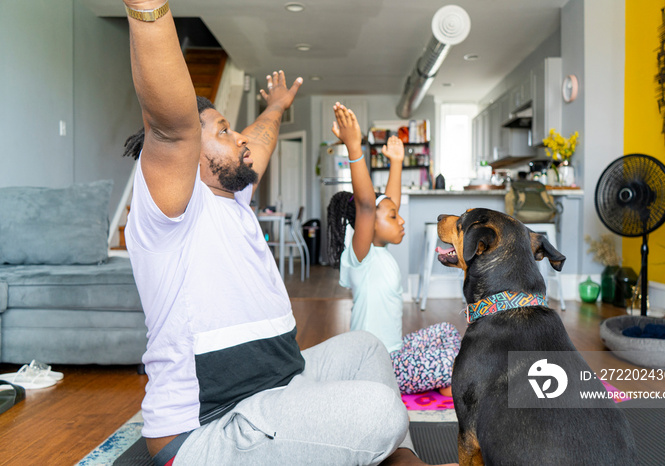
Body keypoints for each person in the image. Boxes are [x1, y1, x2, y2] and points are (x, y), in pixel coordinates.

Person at [120, 1, 455, 465]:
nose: (239, 137)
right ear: (191, 151)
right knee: (381, 413)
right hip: (209, 428)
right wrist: (148, 9)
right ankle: (391, 454)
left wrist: (275, 107)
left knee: (366, 349)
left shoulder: (232, 196)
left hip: (277, 388)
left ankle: (400, 459)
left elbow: (258, 138)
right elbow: (172, 125)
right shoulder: (169, 210)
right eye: (223, 130)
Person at [327, 104, 461, 396]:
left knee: (449, 333)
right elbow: (366, 204)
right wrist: (354, 147)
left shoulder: (380, 251)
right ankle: (445, 382)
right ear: (366, 225)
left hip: (395, 352)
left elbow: (388, 202)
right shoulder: (360, 256)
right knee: (457, 361)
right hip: (377, 365)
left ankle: (444, 379)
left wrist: (397, 162)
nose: (400, 219)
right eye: (392, 217)